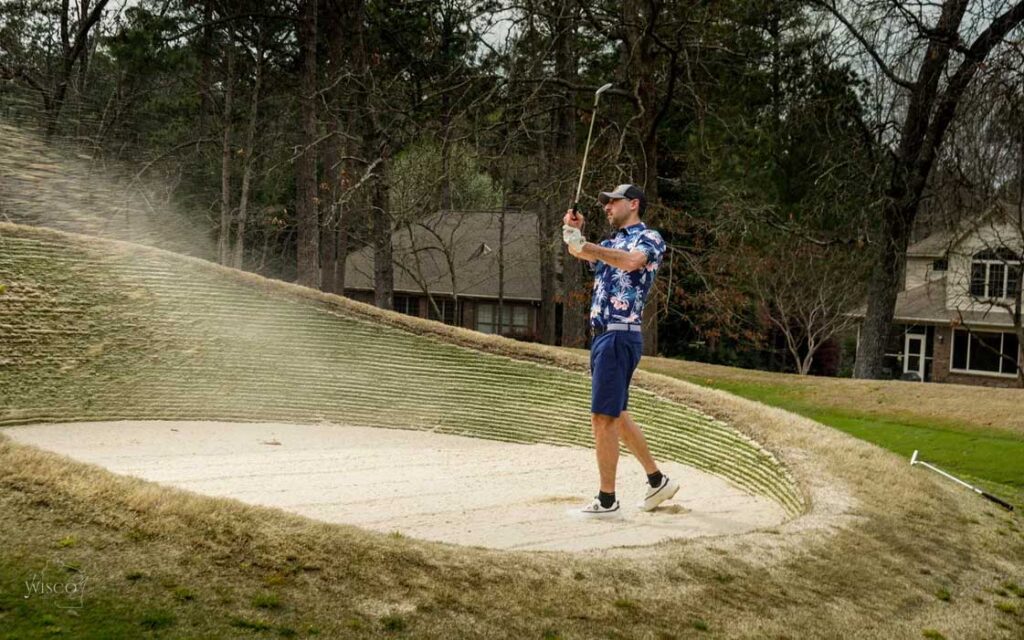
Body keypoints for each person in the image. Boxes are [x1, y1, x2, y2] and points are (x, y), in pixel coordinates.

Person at [562, 184, 680, 516]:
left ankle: (607, 500)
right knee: (617, 414)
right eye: (606, 204)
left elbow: (631, 262)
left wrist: (589, 246)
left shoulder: (649, 238)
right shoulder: (611, 243)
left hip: (619, 334)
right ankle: (657, 481)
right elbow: (580, 251)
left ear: (634, 204)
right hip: (603, 337)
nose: (607, 207)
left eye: (613, 202)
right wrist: (573, 232)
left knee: (602, 418)